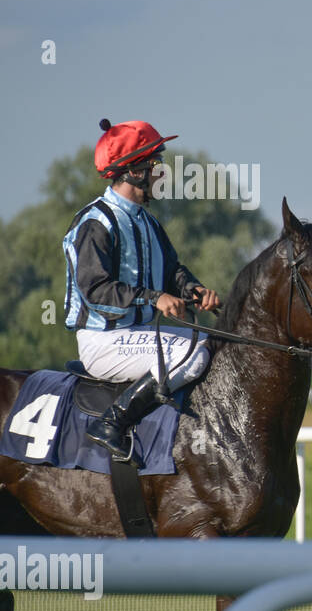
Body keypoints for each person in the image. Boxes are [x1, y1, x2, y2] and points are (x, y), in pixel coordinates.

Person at [63, 118, 221, 460]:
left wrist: (194, 289)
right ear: (134, 171)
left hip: (137, 334)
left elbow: (171, 272)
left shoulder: (147, 221)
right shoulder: (95, 222)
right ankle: (112, 423)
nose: (163, 173)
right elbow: (96, 290)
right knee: (191, 354)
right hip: (103, 341)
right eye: (156, 165)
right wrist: (155, 298)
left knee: (215, 347)